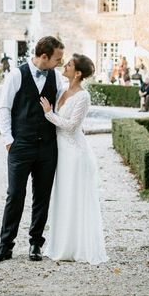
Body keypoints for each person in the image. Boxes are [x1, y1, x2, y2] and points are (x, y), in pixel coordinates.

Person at [0, 36, 65, 263]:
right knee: (15, 195)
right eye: (57, 58)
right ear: (44, 57)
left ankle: (35, 244)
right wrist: (8, 139)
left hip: (48, 148)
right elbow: (4, 108)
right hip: (20, 145)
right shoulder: (16, 75)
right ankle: (6, 246)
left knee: (42, 197)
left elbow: (62, 109)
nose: (60, 62)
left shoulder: (58, 78)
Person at [39, 54, 107, 265]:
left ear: (78, 73)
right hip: (62, 152)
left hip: (75, 154)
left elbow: (71, 126)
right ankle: (62, 245)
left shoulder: (83, 96)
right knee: (63, 196)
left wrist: (49, 114)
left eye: (69, 64)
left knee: (74, 197)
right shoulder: (63, 89)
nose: (64, 65)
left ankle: (78, 246)